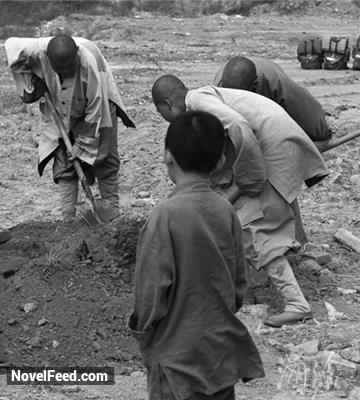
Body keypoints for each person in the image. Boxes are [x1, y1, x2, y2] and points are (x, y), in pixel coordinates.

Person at [152, 75, 329, 328]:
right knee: (259, 208)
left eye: (161, 114)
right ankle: (250, 289)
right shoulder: (204, 98)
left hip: (273, 147)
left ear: (168, 104)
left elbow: (240, 127)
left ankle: (296, 304)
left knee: (254, 225)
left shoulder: (200, 101)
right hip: (278, 143)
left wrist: (248, 179)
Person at [128, 111, 264, 400]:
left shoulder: (164, 216)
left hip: (176, 362)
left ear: (167, 156)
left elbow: (150, 292)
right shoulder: (226, 210)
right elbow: (239, 282)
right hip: (219, 355)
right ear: (220, 163)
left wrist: (143, 333)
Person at [5, 34, 135, 220]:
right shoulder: (34, 49)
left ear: (76, 56)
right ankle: (68, 221)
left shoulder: (88, 61)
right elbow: (11, 46)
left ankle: (112, 214)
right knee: (64, 160)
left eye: (70, 68)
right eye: (61, 69)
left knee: (103, 156)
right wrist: (30, 78)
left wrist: (81, 146)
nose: (66, 72)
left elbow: (95, 107)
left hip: (96, 105)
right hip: (59, 106)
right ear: (49, 60)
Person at [214, 56, 332, 146]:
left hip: (266, 81)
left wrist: (320, 137)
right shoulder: (218, 90)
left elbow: (305, 107)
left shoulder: (274, 81)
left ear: (254, 85)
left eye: (240, 96)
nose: (235, 100)